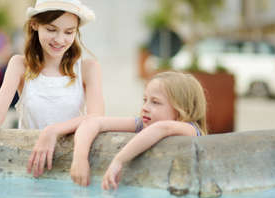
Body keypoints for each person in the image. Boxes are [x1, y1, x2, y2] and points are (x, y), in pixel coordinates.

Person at [0, 0, 104, 183]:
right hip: (29, 167)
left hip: (70, 167)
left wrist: (53, 131)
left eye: (69, 32)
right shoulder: (19, 65)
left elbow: (96, 118)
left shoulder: (88, 68)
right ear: (35, 25)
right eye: (52, 29)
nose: (60, 39)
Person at [70, 71, 207, 190]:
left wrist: (119, 160)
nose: (145, 107)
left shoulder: (190, 130)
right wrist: (80, 158)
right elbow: (93, 122)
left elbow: (162, 128)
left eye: (155, 102)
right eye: (145, 100)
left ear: (181, 110)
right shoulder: (144, 124)